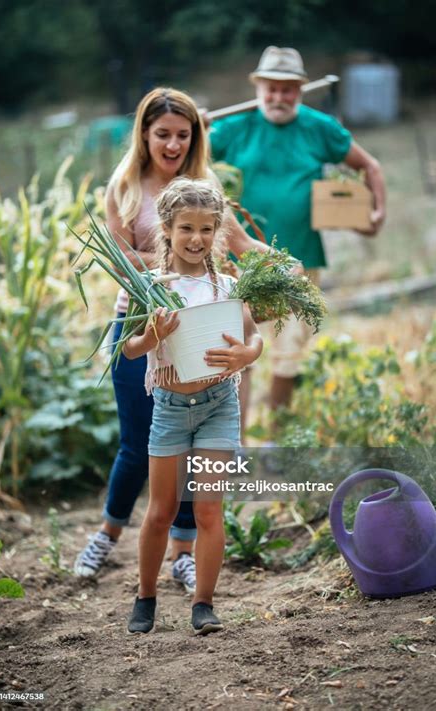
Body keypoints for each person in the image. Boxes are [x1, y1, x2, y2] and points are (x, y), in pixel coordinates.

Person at [74, 88, 268, 587]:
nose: (173, 143)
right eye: (163, 134)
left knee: (198, 448)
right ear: (144, 133)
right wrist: (175, 268)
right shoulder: (126, 186)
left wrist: (273, 266)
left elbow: (237, 242)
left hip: (203, 324)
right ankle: (108, 534)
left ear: (195, 136)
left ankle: (183, 551)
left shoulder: (203, 184)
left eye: (184, 134)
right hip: (141, 323)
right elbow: (120, 257)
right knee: (139, 445)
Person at [209, 46, 386, 418]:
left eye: (287, 89)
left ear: (300, 90)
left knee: (288, 354)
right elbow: (183, 154)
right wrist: (195, 124)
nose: (278, 97)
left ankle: (275, 441)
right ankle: (235, 441)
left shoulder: (318, 127)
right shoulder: (231, 129)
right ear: (257, 87)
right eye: (270, 88)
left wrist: (376, 212)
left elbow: (370, 166)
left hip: (300, 260)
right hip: (239, 261)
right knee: (237, 350)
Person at [124, 177, 263, 634]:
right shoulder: (152, 286)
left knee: (207, 510)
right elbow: (129, 350)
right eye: (186, 228)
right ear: (167, 228)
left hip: (219, 405)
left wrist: (248, 354)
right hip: (170, 407)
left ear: (217, 230)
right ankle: (145, 596)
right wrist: (154, 336)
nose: (196, 239)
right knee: (161, 509)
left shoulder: (226, 285)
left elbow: (253, 334)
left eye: (206, 229)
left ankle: (203, 604)